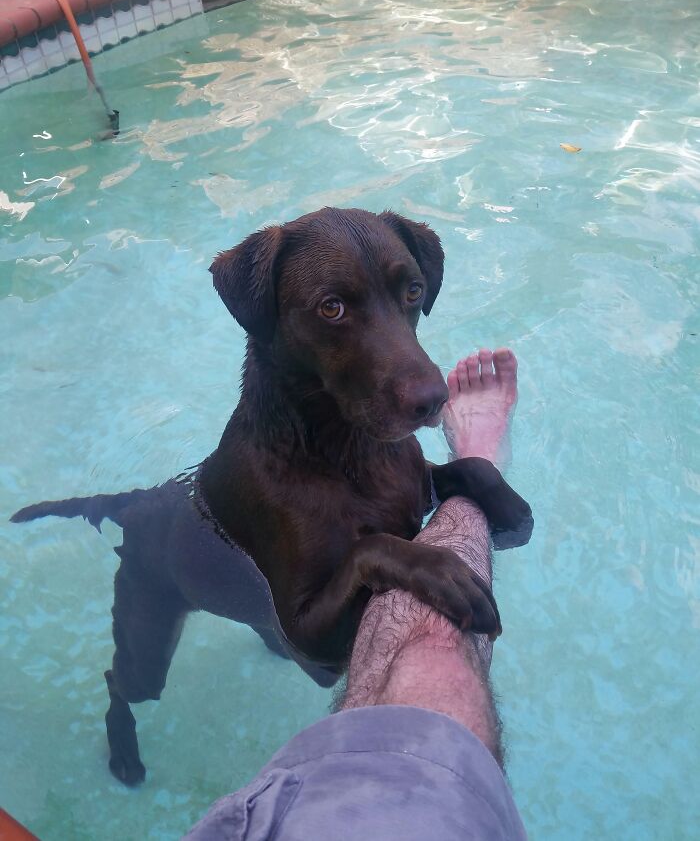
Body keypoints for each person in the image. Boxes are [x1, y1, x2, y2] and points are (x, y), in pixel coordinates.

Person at [185, 348, 528, 840]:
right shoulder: (270, 476)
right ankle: (477, 454)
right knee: (429, 640)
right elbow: (317, 647)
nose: (426, 384)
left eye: (409, 294)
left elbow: (405, 495)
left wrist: (466, 480)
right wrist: (374, 556)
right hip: (188, 570)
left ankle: (473, 464)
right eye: (333, 307)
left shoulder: (371, 429)